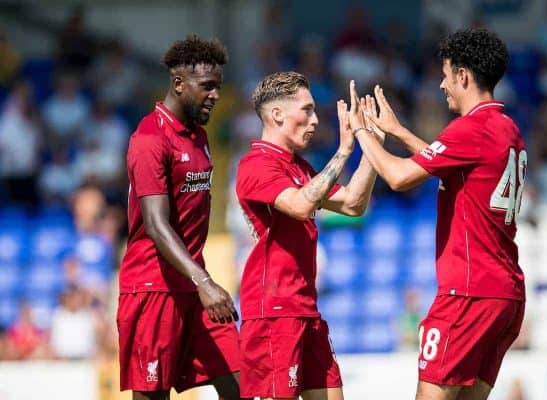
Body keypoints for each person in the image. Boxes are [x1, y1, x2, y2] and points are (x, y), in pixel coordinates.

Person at [352, 28, 526, 400]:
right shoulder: (507, 128)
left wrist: (361, 133)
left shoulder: (470, 129)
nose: (442, 85)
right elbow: (453, 164)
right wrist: (398, 131)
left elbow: (399, 177)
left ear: (463, 76)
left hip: (467, 293)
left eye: (445, 75)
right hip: (505, 294)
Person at [235, 72, 380, 400]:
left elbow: (354, 205)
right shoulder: (255, 165)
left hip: (305, 309)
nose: (315, 120)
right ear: (277, 115)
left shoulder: (298, 167)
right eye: (308, 110)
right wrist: (343, 151)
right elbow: (301, 205)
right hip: (273, 312)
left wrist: (371, 145)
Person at [117, 35, 242, 400]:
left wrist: (200, 283)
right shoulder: (149, 139)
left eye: (218, 86)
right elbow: (156, 224)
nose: (216, 95)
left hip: (193, 286)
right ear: (178, 84)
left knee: (242, 385)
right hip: (154, 289)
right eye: (207, 87)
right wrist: (204, 281)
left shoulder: (198, 136)